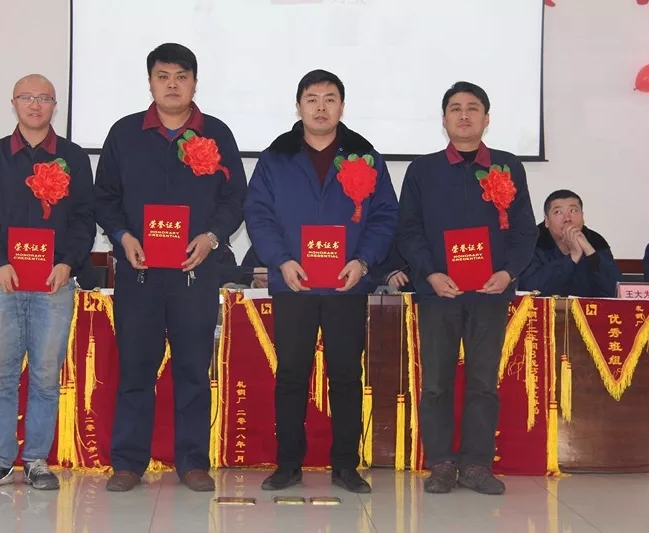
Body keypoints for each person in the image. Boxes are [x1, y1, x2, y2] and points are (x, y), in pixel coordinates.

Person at [94, 43, 246, 492]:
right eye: (163, 76)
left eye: (182, 76)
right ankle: (128, 463)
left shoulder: (217, 133)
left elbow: (235, 198)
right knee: (136, 369)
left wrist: (212, 237)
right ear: (150, 82)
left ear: (195, 83)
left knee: (193, 370)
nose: (173, 85)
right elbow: (104, 198)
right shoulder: (124, 133)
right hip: (139, 273)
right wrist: (122, 236)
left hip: (195, 274)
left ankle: (193, 462)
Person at [244, 69, 399, 493]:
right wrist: (281, 261)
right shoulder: (276, 157)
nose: (321, 107)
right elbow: (257, 213)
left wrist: (363, 262)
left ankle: (345, 466)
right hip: (293, 283)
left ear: (342, 107)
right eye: (312, 99)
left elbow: (385, 216)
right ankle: (288, 464)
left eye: (330, 99)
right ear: (298, 106)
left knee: (346, 375)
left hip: (347, 285)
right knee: (291, 374)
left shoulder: (365, 156)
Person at [397, 82, 538, 495]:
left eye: (473, 108)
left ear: (486, 118)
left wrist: (508, 273)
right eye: (455, 108)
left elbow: (525, 232)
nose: (464, 115)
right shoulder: (422, 170)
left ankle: (476, 465)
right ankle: (441, 463)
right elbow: (409, 231)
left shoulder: (508, 166)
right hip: (439, 293)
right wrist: (430, 274)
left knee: (482, 382)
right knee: (436, 382)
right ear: (443, 120)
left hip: (490, 293)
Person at [0, 74, 96, 491]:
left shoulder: (74, 158)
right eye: (27, 97)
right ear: (14, 103)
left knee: (45, 374)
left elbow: (84, 218)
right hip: (2, 283)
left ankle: (37, 459)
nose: (35, 104)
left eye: (44, 98)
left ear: (55, 105)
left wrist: (68, 263)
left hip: (54, 284)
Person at [519, 190, 622, 297]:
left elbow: (616, 291)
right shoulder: (533, 243)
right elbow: (530, 288)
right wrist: (572, 257)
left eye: (573, 210)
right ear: (547, 221)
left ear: (583, 216)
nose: (567, 219)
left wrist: (590, 252)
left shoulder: (596, 241)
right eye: (558, 212)